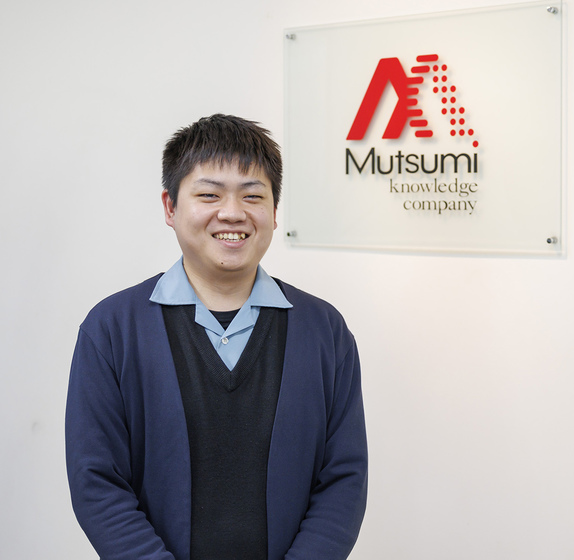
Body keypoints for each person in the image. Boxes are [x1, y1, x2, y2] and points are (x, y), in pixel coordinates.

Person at [66, 114, 367, 560]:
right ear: (170, 207)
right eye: (209, 194)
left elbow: (344, 479)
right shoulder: (112, 330)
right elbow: (97, 483)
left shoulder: (324, 331)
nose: (232, 212)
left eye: (253, 195)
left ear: (274, 212)